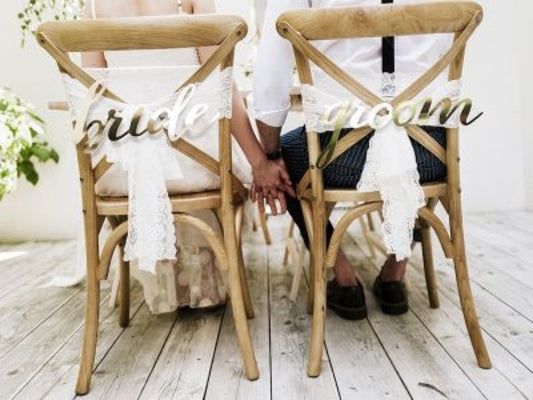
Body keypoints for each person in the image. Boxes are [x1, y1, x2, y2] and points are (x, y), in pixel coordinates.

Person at [82, 0, 286, 313]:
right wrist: (260, 161)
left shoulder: (93, 6)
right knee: (209, 145)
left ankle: (172, 280)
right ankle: (208, 273)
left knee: (153, 145)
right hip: (193, 161)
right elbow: (221, 87)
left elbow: (90, 97)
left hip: (121, 168)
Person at [252, 0, 452, 319]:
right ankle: (395, 273)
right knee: (425, 157)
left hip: (340, 155)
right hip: (428, 152)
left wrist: (270, 155)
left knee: (285, 160)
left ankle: (344, 280)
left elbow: (269, 79)